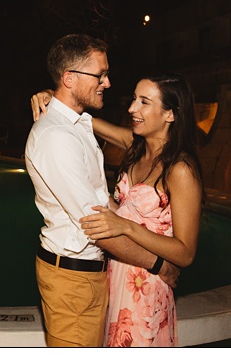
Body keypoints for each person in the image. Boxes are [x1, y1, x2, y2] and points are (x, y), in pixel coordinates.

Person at [25, 35, 177, 348]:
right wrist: (159, 264)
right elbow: (97, 225)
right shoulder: (56, 137)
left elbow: (101, 201)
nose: (107, 83)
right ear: (70, 78)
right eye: (100, 75)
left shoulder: (77, 125)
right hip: (72, 281)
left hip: (92, 276)